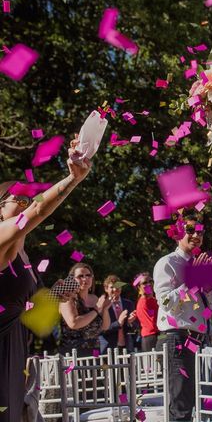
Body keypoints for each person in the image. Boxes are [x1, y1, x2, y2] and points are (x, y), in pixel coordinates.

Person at [0, 138, 90, 422]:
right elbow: (40, 210)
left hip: (14, 347)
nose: (27, 202)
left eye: (29, 197)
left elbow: (31, 316)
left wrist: (56, 294)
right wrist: (72, 179)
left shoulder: (24, 256)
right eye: (19, 199)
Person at [154, 214, 212, 422]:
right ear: (178, 233)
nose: (196, 235)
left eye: (200, 230)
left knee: (198, 400)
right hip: (177, 338)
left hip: (200, 339)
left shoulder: (203, 264)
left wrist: (208, 288)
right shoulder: (167, 263)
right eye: (190, 230)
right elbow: (164, 303)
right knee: (181, 403)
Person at [59, 262, 112, 357]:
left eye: (88, 275)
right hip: (73, 353)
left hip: (94, 351)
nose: (85, 278)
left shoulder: (95, 299)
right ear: (72, 280)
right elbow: (74, 323)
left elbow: (104, 327)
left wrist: (105, 310)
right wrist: (96, 309)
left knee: (97, 371)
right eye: (80, 276)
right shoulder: (67, 298)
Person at [99, 274, 137, 353]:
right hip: (109, 349)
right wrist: (118, 323)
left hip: (127, 347)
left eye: (118, 286)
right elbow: (101, 330)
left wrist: (130, 323)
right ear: (106, 289)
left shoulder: (129, 304)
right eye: (112, 287)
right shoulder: (102, 304)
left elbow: (135, 329)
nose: (115, 289)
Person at [134, 272, 159, 352]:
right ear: (139, 287)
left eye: (151, 281)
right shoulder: (146, 301)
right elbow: (153, 322)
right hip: (152, 337)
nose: (149, 284)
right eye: (144, 283)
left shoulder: (152, 300)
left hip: (152, 336)